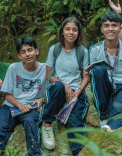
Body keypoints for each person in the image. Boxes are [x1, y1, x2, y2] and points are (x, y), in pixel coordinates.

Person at [0, 36, 46, 156]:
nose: (27, 54)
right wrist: (20, 105)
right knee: (0, 128)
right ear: (19, 56)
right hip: (11, 105)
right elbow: (8, 95)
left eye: (30, 50)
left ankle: (34, 153)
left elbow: (52, 91)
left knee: (30, 122)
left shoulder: (45, 69)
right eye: (23, 52)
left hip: (31, 107)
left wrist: (42, 99)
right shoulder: (14, 68)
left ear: (36, 51)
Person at [40, 17, 90, 156]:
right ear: (62, 32)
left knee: (75, 122)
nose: (71, 32)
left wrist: (79, 91)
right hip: (58, 90)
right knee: (58, 87)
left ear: (78, 32)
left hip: (75, 93)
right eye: (67, 29)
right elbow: (48, 75)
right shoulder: (54, 49)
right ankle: (47, 124)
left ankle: (77, 152)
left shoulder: (82, 51)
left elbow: (86, 75)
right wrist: (64, 85)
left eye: (74, 30)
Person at [89, 11, 122, 131]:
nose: (110, 29)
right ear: (102, 29)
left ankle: (110, 129)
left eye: (114, 25)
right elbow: (94, 79)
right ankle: (103, 116)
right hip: (104, 86)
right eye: (106, 26)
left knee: (118, 108)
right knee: (98, 70)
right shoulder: (94, 50)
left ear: (120, 28)